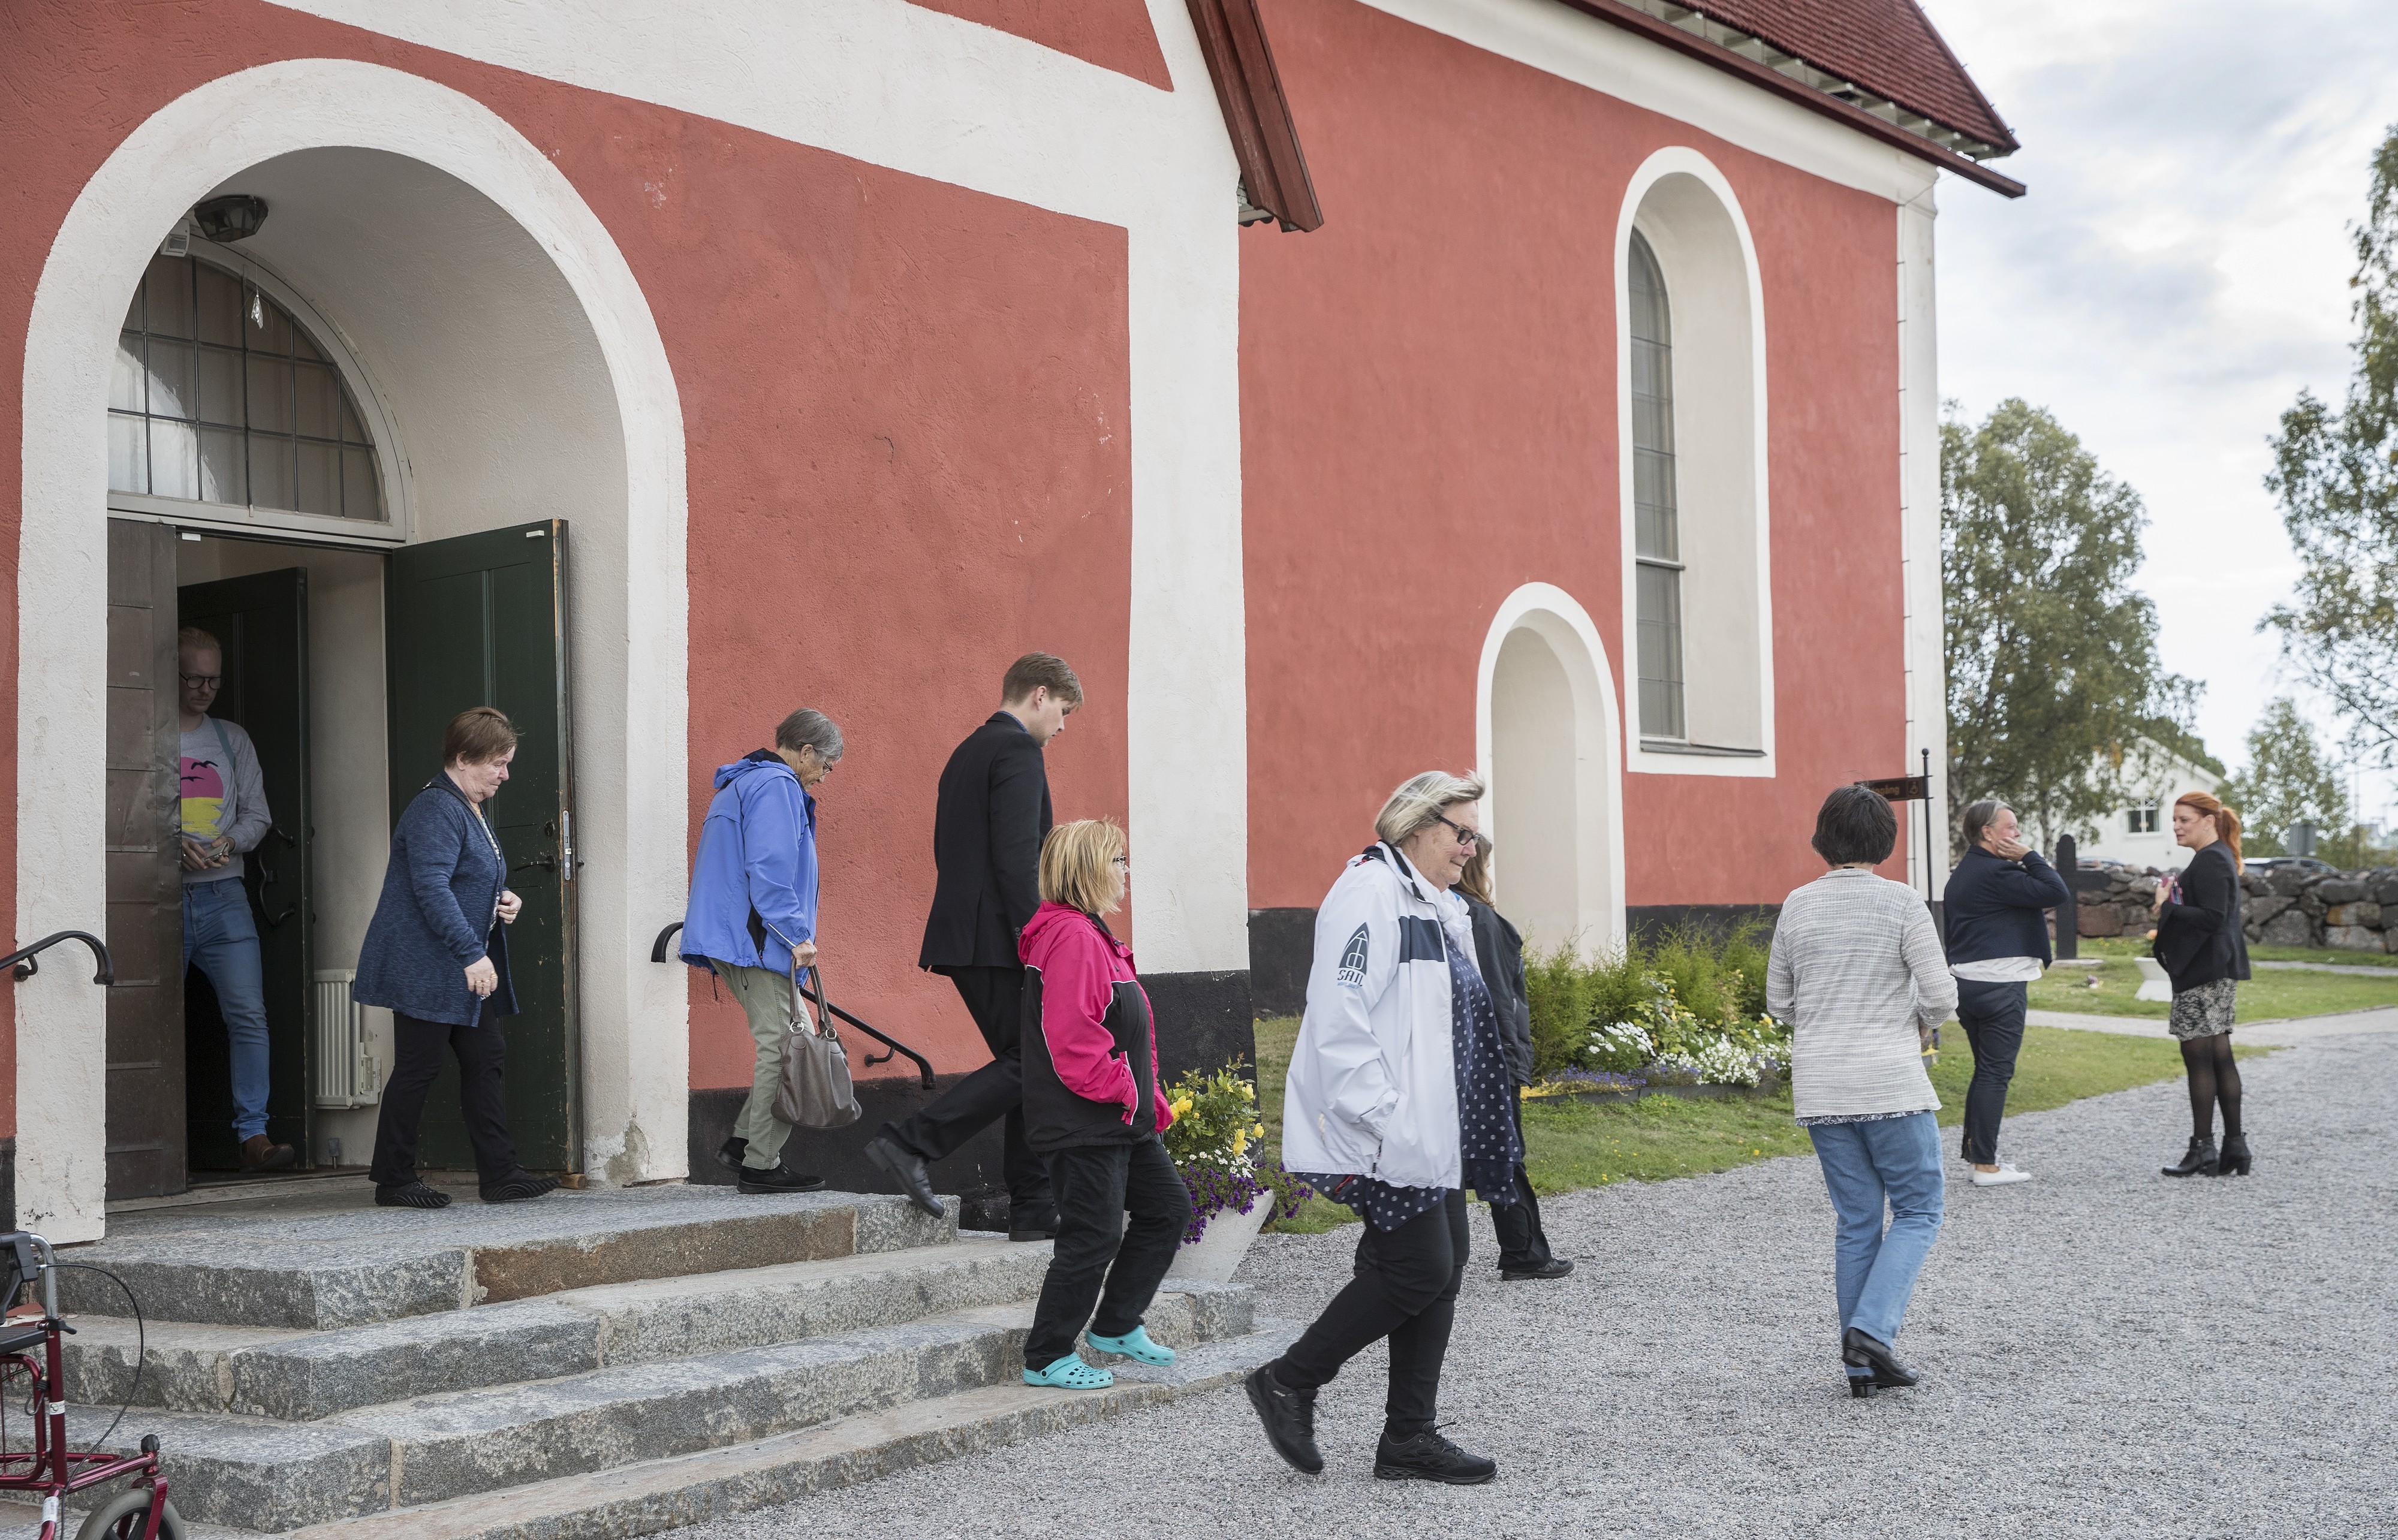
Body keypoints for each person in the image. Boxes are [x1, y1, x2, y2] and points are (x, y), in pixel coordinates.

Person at [1246, 771, 1516, 1485]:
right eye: (1462, 832)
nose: (1470, 848)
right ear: (1415, 825)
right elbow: (1340, 1020)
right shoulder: (1369, 892)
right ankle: (1289, 1379)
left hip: (1430, 1129)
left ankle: (1408, 1438)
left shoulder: (1433, 900)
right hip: (1386, 1129)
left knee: (1444, 1261)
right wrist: (1387, 1121)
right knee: (1419, 1266)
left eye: (1474, 834)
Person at [864, 653, 1081, 1238]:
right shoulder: (1017, 752)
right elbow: (1017, 862)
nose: (1062, 727)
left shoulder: (966, 751)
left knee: (1033, 1064)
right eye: (1062, 712)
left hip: (970, 934)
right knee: (1036, 1059)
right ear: (1039, 695)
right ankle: (910, 1141)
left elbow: (955, 850)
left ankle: (1035, 1208)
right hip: (1000, 940)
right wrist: (1041, 944)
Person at [1767, 784, 1956, 1398]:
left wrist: (1824, 1019)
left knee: (1856, 1221)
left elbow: (1780, 1003)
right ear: (1885, 839)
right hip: (1889, 1079)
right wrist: (1917, 1016)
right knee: (1920, 1207)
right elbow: (1941, 995)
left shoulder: (1798, 904)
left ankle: (1859, 1368)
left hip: (1821, 1084)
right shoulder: (1901, 903)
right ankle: (1872, 1332)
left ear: (1823, 837)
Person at [357, 707, 560, 1209]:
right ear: (464, 758)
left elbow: (464, 876)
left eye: (507, 763)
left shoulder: (468, 807)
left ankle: (500, 1174)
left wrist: (504, 895)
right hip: (430, 966)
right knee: (418, 1068)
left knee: (485, 1059)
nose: (505, 775)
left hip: (459, 967)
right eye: (497, 763)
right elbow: (429, 887)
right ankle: (394, 1179)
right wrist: (473, 952)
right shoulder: (436, 808)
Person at [1015, 819, 1189, 1389]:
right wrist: (1127, 1089)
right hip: (1084, 1120)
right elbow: (1073, 1038)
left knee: (1167, 1208)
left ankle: (1115, 1323)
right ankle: (1045, 1355)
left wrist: (1149, 1097)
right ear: (1090, 870)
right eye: (1118, 862)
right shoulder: (1072, 937)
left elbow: (1128, 1027)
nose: (1126, 873)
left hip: (1120, 1118)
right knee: (1092, 1235)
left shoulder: (1093, 934)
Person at [679, 709, 844, 1195]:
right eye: (826, 766)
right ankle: (760, 1164)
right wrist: (798, 937)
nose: (824, 777)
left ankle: (745, 1142)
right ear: (806, 750)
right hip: (760, 943)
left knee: (783, 1042)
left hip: (738, 940)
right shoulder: (777, 786)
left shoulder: (745, 782)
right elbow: (770, 872)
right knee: (787, 1047)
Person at [174, 627, 293, 1171]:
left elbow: (258, 815)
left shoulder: (231, 740)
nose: (204, 688)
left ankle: (254, 1136)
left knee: (249, 1014)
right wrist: (167, 844)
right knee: (142, 1017)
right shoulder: (143, 734)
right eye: (193, 677)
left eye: (214, 679)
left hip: (224, 896)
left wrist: (229, 841)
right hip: (158, 900)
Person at [1453, 839, 1569, 1282]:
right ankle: (1525, 1253)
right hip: (1491, 1056)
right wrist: (1509, 1064)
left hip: (1471, 1053)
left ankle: (1519, 1251)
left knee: (1478, 1153)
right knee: (1503, 1153)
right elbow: (1501, 999)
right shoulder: (1480, 919)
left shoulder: (1453, 914)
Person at [1941, 799, 2070, 1188]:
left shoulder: (1963, 873)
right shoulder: (1998, 872)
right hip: (2000, 985)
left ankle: (1980, 1155)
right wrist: (2031, 856)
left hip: (1968, 984)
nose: (2017, 834)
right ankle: (1984, 1165)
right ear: (1988, 832)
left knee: (1986, 1072)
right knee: (1996, 1073)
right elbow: (2056, 890)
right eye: (2011, 827)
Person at [2149, 791, 2252, 1178]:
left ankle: (2202, 1149)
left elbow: (2212, 917)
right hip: (2216, 969)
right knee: (2220, 1055)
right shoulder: (2218, 857)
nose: (2176, 827)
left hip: (2203, 972)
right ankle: (2234, 1147)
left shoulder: (2210, 860)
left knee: (2199, 1060)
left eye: (2184, 820)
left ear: (2209, 820)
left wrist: (2167, 907)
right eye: (2174, 820)